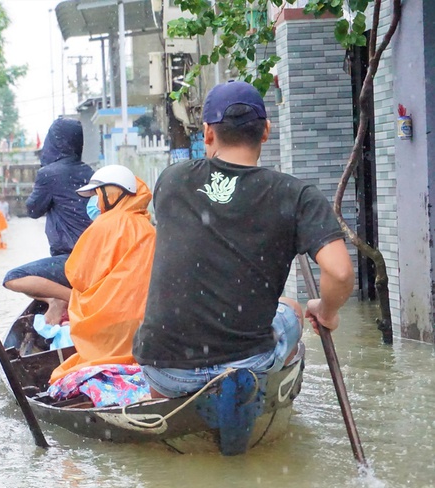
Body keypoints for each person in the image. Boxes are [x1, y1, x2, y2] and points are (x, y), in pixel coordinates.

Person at [133, 80, 354, 399]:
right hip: (246, 363)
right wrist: (326, 310)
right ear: (266, 131)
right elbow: (341, 272)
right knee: (291, 308)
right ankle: (262, 396)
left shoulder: (171, 180)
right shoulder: (296, 195)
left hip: (164, 367)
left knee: (168, 365)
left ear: (208, 133)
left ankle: (166, 400)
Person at [45, 165, 157, 407]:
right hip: (145, 324)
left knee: (78, 297)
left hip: (109, 325)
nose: (96, 201)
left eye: (98, 194)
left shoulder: (105, 225)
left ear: (112, 193)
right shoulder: (149, 228)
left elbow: (77, 275)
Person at [3, 118, 93, 324]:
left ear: (53, 142)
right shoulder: (91, 173)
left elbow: (33, 209)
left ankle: (72, 299)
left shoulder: (49, 174)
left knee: (13, 278)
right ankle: (59, 300)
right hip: (94, 259)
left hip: (71, 260)